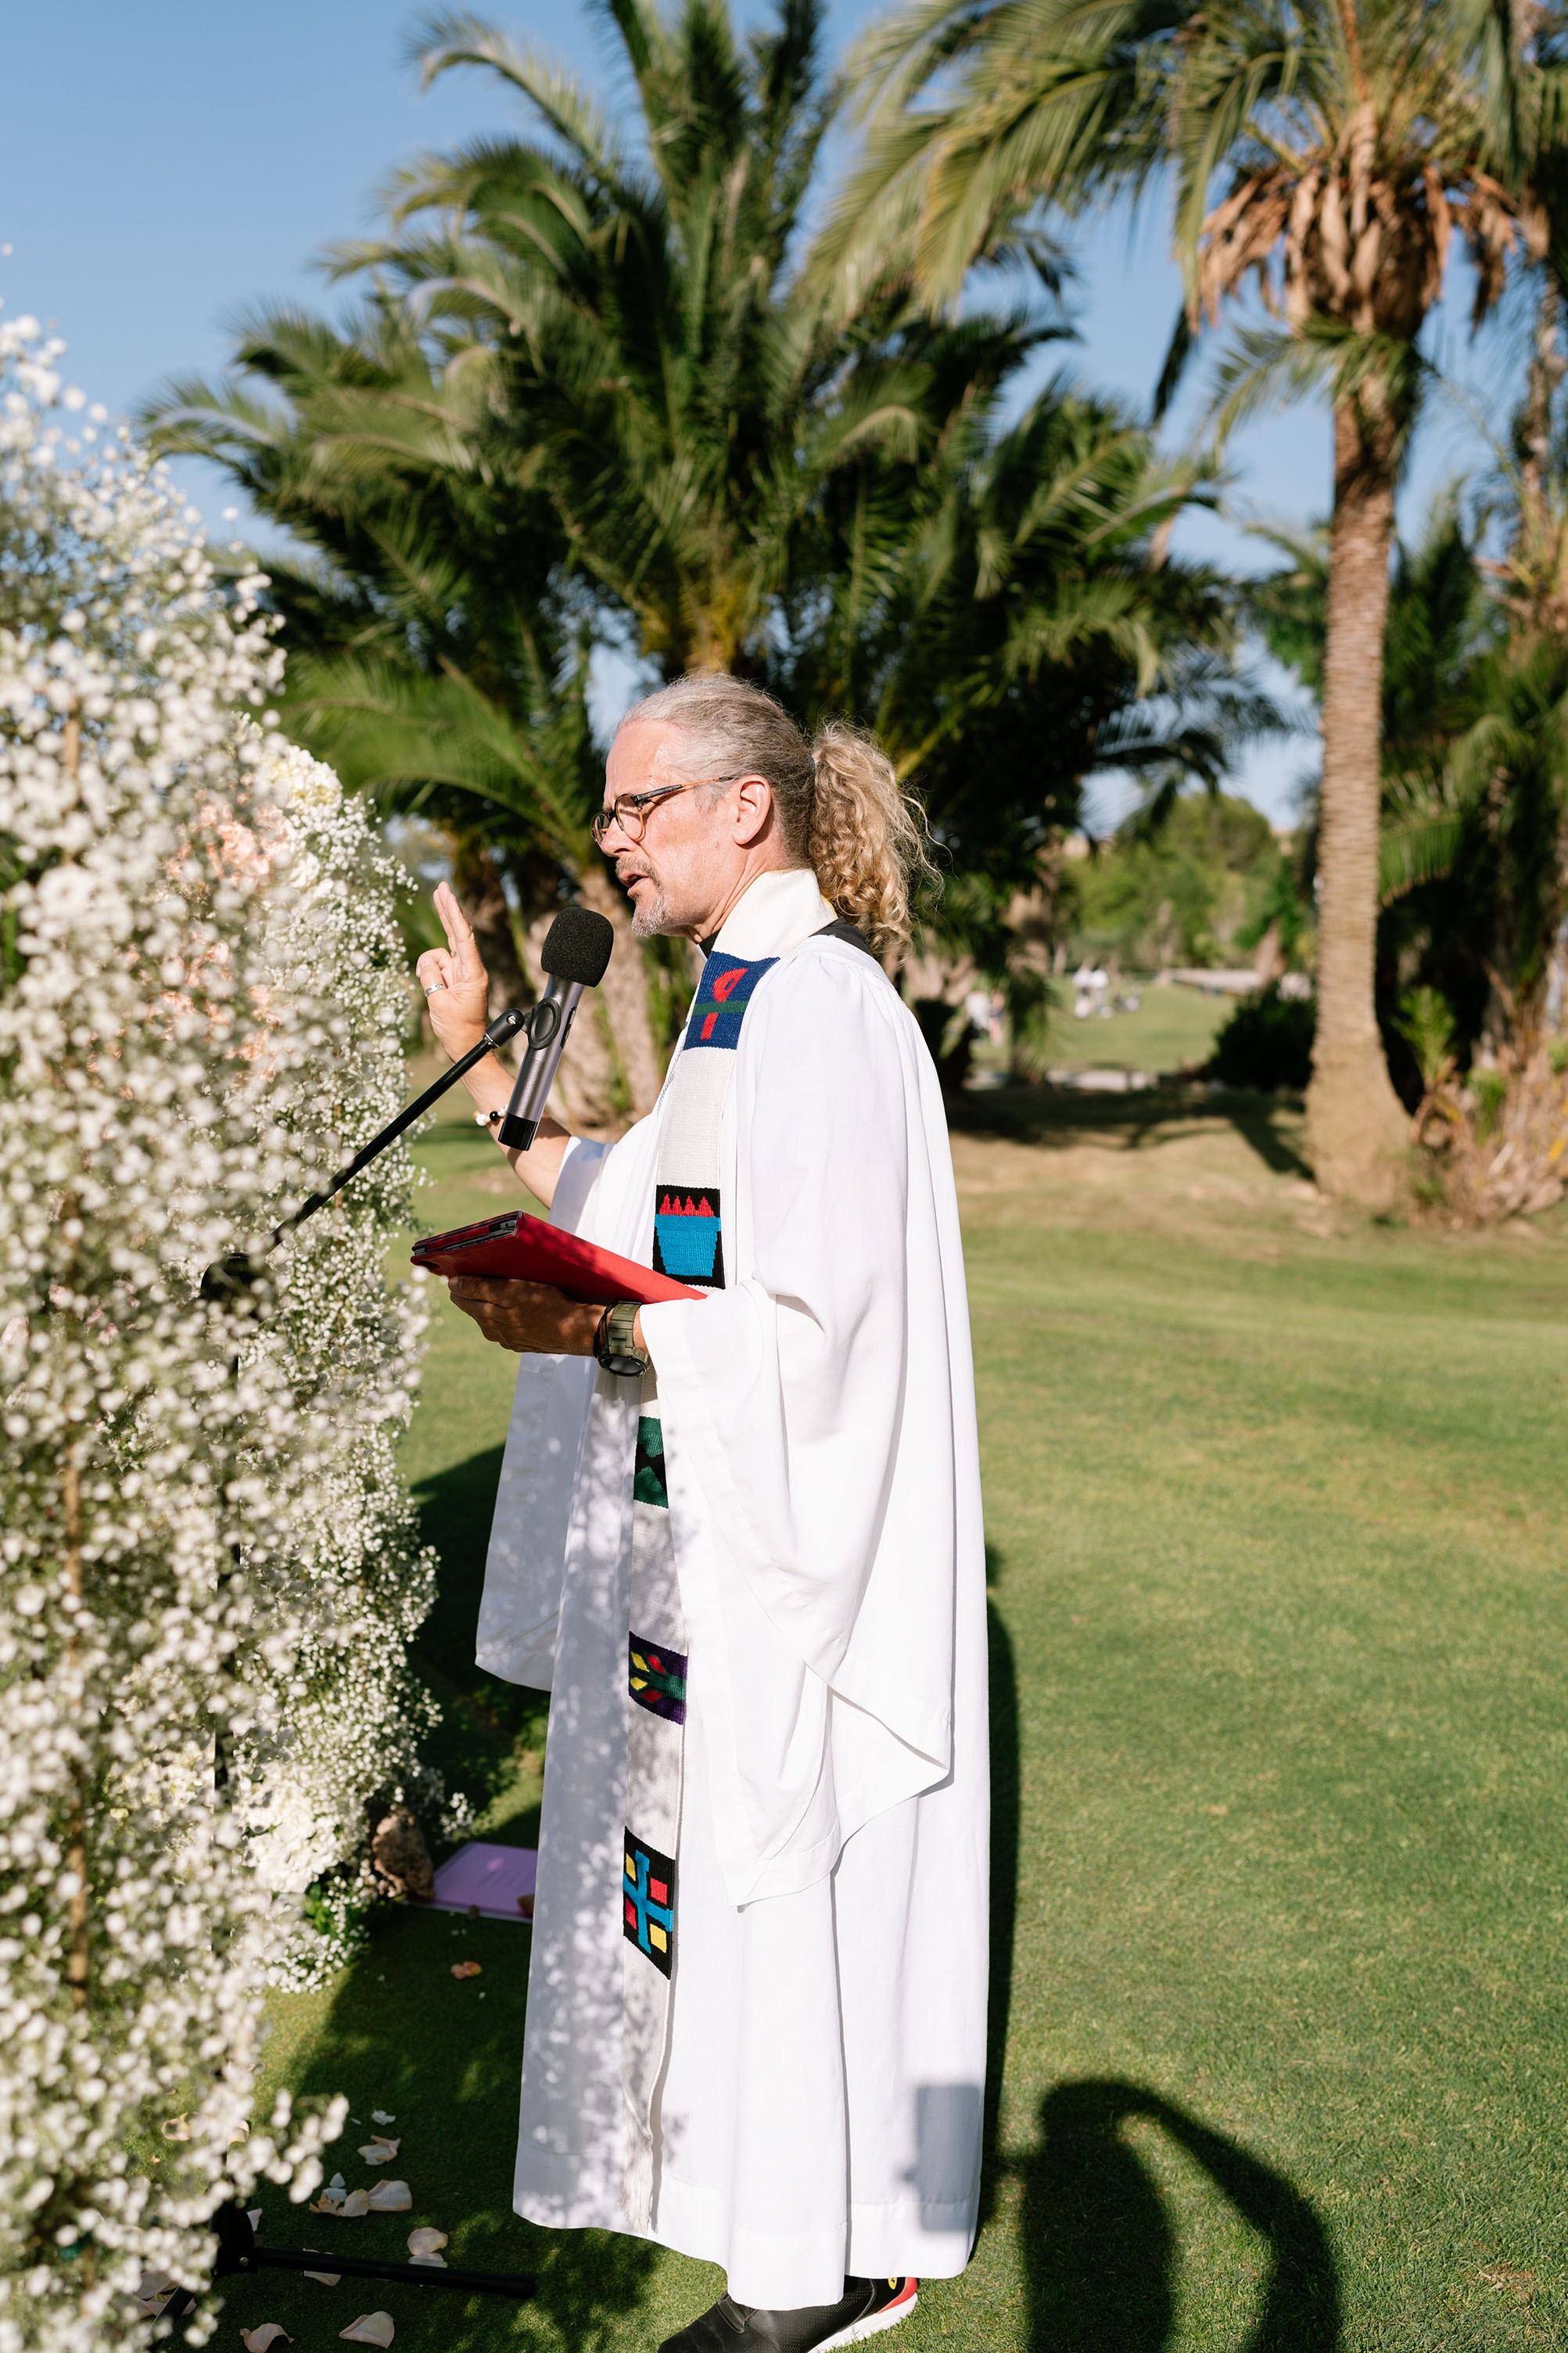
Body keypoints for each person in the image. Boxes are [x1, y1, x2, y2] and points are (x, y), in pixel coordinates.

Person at [416, 677, 988, 2353]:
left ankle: (804, 2277)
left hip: (795, 1545)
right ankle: (774, 2212)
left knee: (780, 1870)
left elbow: (818, 1323)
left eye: (636, 806)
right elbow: (652, 1202)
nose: (613, 839)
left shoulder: (819, 1011)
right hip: (713, 1527)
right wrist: (493, 1096)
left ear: (746, 807)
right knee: (719, 1883)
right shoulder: (738, 1003)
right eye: (611, 810)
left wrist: (597, 1324)